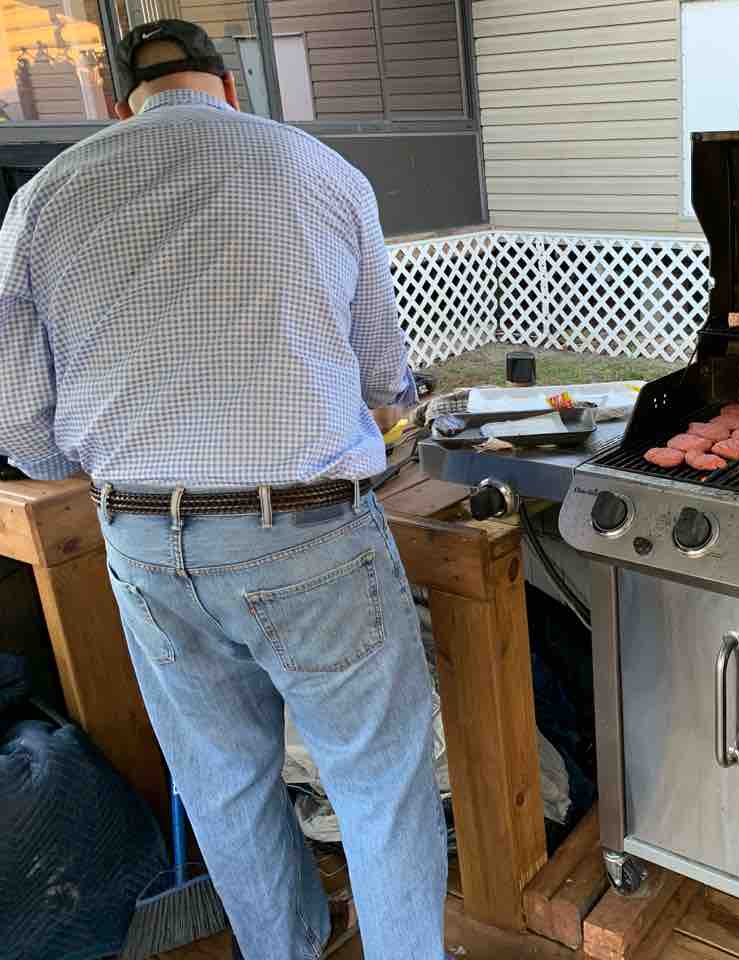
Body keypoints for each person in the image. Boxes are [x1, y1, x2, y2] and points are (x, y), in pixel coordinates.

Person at [0, 20, 446, 959]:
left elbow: (25, 435)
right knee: (377, 781)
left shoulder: (43, 197)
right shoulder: (322, 171)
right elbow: (382, 376)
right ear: (229, 85)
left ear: (119, 99)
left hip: (143, 540)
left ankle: (287, 946)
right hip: (309, 532)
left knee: (224, 783)